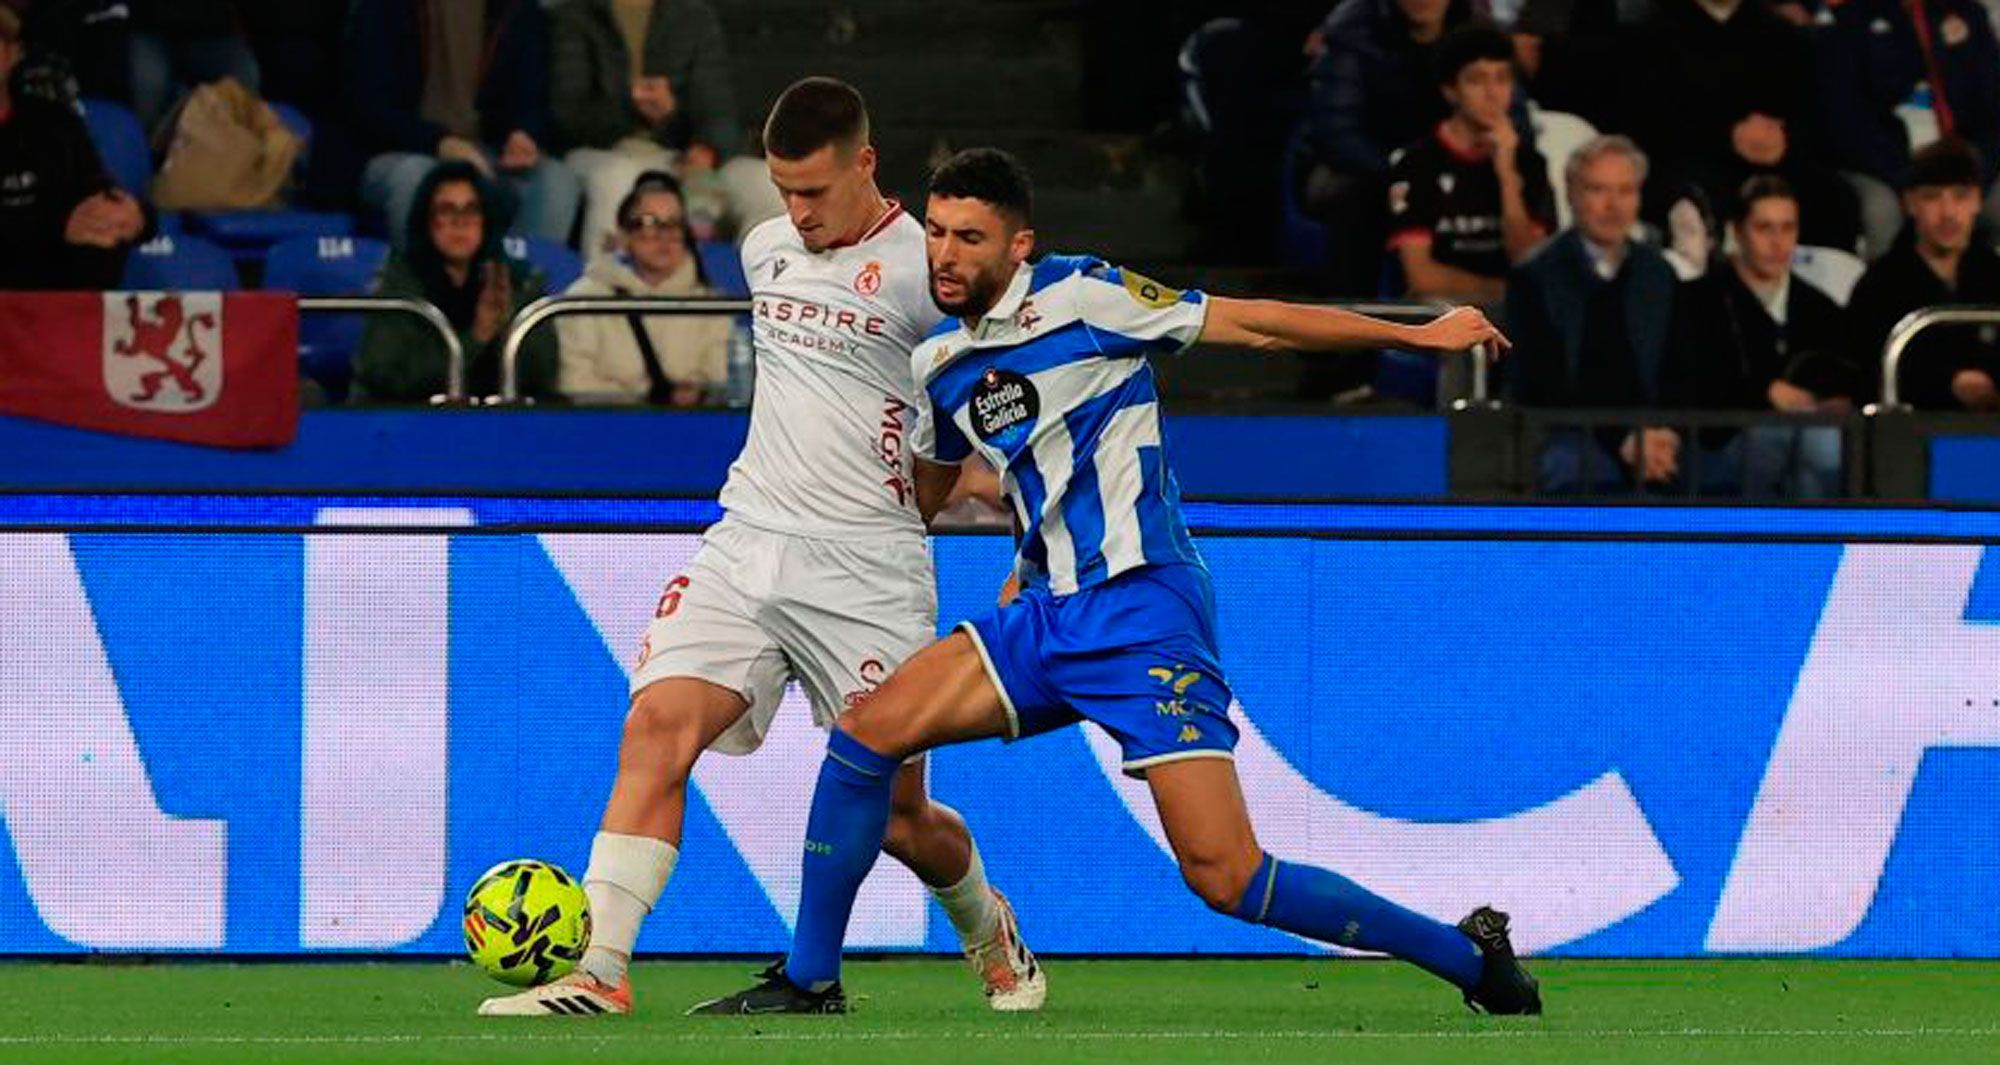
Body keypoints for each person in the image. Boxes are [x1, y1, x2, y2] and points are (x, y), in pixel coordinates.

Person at [689, 147, 1539, 1018]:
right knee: (867, 736)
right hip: (1044, 616)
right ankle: (810, 978)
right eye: (937, 232)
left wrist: (1415, 334)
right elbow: (946, 485)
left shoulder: (1086, 297)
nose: (945, 254)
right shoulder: (938, 363)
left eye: (970, 238)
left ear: (1018, 246)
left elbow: (1259, 324)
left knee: (1228, 876)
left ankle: (1467, 955)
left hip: (1141, 613)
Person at [475, 78, 1044, 1019]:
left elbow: (987, 407)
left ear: (866, 163)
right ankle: (599, 969)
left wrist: (1005, 511)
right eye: (784, 190)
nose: (798, 212)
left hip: (867, 564)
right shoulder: (763, 248)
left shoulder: (924, 271)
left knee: (903, 817)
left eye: (816, 191)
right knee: (657, 727)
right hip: (746, 539)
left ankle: (989, 928)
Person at [1506, 135, 1680, 493]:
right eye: (1598, 190)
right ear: (1571, 194)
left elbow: (1679, 368)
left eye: (1626, 190)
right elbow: (1539, 385)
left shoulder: (1658, 273)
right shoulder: (1536, 276)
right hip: (1568, 429)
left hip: (1651, 431)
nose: (1613, 206)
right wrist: (1623, 438)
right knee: (1576, 470)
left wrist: (1665, 432)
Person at [1665, 176, 1854, 497]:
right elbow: (1690, 387)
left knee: (1808, 475)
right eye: (1764, 228)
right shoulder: (1697, 301)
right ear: (1737, 232)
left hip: (1803, 447)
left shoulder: (1820, 309)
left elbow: (1843, 377)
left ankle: (1804, 546)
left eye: (1787, 228)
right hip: (1718, 444)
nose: (1778, 242)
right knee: (1812, 444)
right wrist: (1765, 393)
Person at [550, 0, 782, 258]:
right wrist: (631, 105)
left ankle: (764, 292)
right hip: (602, 153)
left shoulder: (692, 14)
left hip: (679, 153)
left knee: (764, 184)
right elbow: (568, 117)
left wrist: (705, 149)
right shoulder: (578, 15)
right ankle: (607, 290)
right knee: (615, 178)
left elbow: (720, 109)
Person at [344, 0, 581, 248]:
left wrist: (522, 135)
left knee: (556, 181)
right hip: (400, 152)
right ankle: (421, 285)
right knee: (416, 175)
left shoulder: (516, 9)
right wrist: (440, 143)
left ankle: (520, 282)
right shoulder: (385, 8)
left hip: (486, 155)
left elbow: (530, 99)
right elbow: (369, 106)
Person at [1302, 0, 1476, 298]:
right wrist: (1406, 173)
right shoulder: (1353, 29)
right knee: (1354, 197)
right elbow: (1336, 130)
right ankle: (1351, 328)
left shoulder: (1475, 31)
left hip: (1449, 163)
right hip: (1369, 165)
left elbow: (1511, 115)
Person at [352, 159, 558, 403]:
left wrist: (503, 329)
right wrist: (478, 335)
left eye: (471, 210)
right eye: (447, 210)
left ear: (486, 220)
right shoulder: (401, 284)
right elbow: (388, 379)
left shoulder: (516, 282)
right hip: (414, 426)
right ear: (427, 221)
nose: (460, 223)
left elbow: (542, 377)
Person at [1817, 0, 2000, 259]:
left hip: (1965, 162)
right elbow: (1847, 123)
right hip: (1887, 168)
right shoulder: (1850, 20)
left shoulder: (1968, 14)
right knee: (1880, 213)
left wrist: (1978, 170)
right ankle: (1888, 298)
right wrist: (1904, 177)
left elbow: (1993, 109)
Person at [1386, 25, 1555, 304]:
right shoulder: (1416, 163)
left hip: (1516, 320)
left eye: (1502, 79)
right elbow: (1422, 279)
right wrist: (1506, 292)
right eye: (1477, 80)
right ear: (1451, 91)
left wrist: (1507, 177)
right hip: (1443, 316)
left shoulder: (1530, 163)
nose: (1493, 93)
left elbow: (1530, 265)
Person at [0, 5, 149, 290]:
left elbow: (97, 192)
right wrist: (59, 228)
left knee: (100, 238)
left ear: (12, 54)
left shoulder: (54, 123)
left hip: (52, 304)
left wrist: (134, 216)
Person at [1845, 138, 2000, 411]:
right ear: (1910, 203)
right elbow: (1866, 376)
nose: (1948, 213)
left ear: (1977, 200)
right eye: (1932, 197)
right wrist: (1948, 383)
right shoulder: (1879, 286)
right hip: (1909, 440)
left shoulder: (1995, 277)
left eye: (1960, 196)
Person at [557, 170, 731, 405]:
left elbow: (719, 381)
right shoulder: (584, 299)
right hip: (605, 429)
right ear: (624, 235)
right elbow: (574, 384)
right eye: (649, 223)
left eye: (674, 224)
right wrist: (646, 400)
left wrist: (697, 394)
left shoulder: (711, 305)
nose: (664, 236)